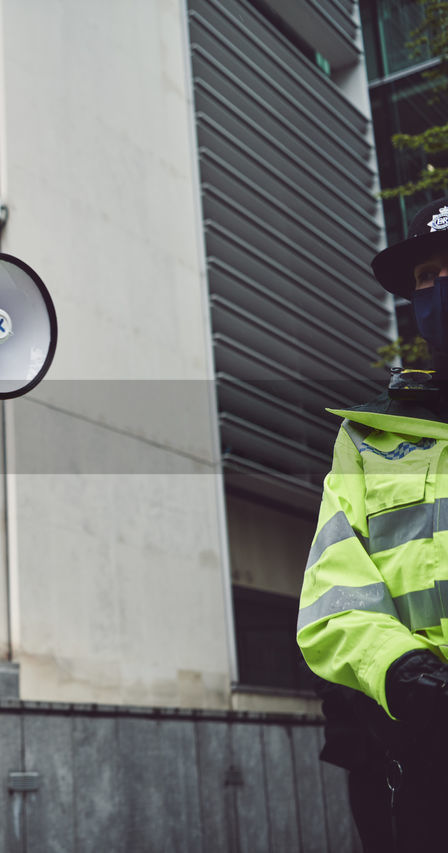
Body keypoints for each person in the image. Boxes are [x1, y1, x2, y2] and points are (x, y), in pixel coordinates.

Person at [298, 195, 448, 850]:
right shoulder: (369, 438)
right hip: (416, 753)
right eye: (425, 276)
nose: (439, 286)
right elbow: (334, 595)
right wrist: (406, 673)